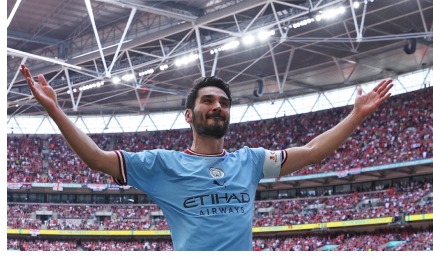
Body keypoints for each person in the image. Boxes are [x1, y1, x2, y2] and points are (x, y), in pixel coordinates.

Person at [19, 64, 392, 251]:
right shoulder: (161, 165)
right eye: (208, 100)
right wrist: (55, 110)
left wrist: (356, 114)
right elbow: (98, 159)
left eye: (224, 103)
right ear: (189, 114)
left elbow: (311, 153)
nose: (218, 107)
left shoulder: (250, 161)